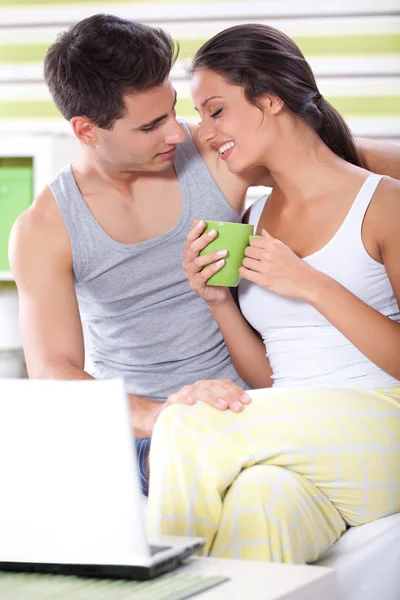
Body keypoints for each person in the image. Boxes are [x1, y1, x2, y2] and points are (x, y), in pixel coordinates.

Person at [9, 15, 399, 495]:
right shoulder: (44, 228)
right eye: (151, 125)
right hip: (147, 433)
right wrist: (165, 415)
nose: (178, 133)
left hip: (254, 413)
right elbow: (54, 372)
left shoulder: (214, 152)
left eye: (173, 110)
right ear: (87, 130)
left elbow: (335, 162)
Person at [146, 24, 400, 563]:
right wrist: (217, 301)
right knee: (256, 511)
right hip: (304, 438)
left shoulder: (386, 204)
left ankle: (150, 586)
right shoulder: (253, 217)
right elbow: (275, 378)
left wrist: (310, 283)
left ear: (270, 98)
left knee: (186, 425)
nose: (205, 133)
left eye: (216, 111)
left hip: (385, 427)